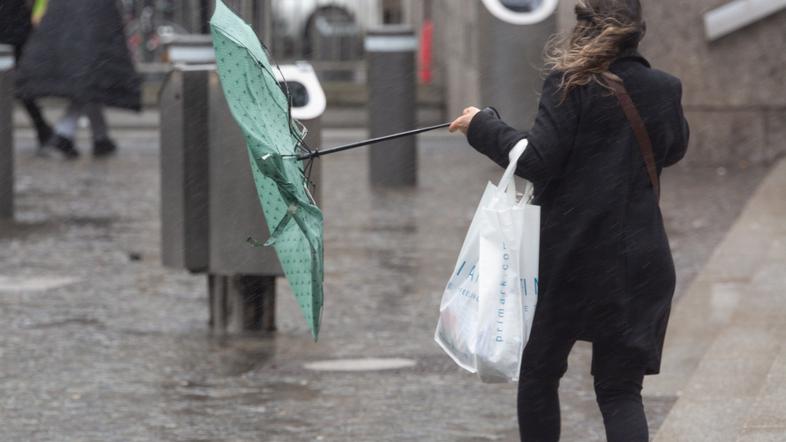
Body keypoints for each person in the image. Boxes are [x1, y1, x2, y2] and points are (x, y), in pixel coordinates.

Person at [449, 0, 690, 441]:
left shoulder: (569, 83)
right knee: (620, 391)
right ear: (637, 30)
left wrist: (482, 126)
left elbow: (538, 159)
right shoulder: (664, 88)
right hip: (640, 260)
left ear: (584, 26)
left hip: (569, 260)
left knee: (539, 374)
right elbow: (673, 150)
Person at [15, 0, 141, 159]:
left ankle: (98, 136)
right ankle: (65, 135)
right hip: (91, 20)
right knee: (88, 79)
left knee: (87, 80)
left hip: (66, 19)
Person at [0, 0, 53, 147]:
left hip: (13, 31)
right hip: (17, 31)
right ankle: (41, 127)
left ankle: (41, 127)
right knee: (20, 85)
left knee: (18, 85)